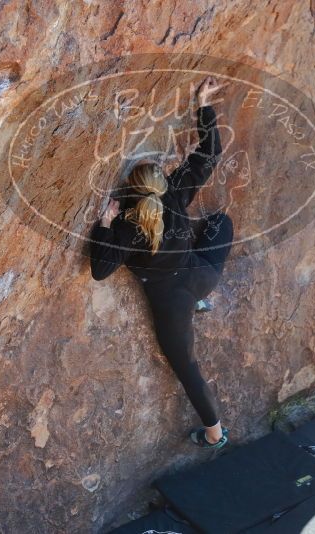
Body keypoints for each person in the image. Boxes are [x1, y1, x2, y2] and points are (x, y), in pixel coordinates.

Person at [89, 76, 233, 449]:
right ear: (161, 185)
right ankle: (200, 300)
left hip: (172, 302)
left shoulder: (126, 229)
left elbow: (101, 270)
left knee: (187, 368)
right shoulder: (175, 194)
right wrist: (202, 105)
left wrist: (105, 225)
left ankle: (215, 435)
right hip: (203, 275)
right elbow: (209, 154)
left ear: (130, 193)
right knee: (221, 222)